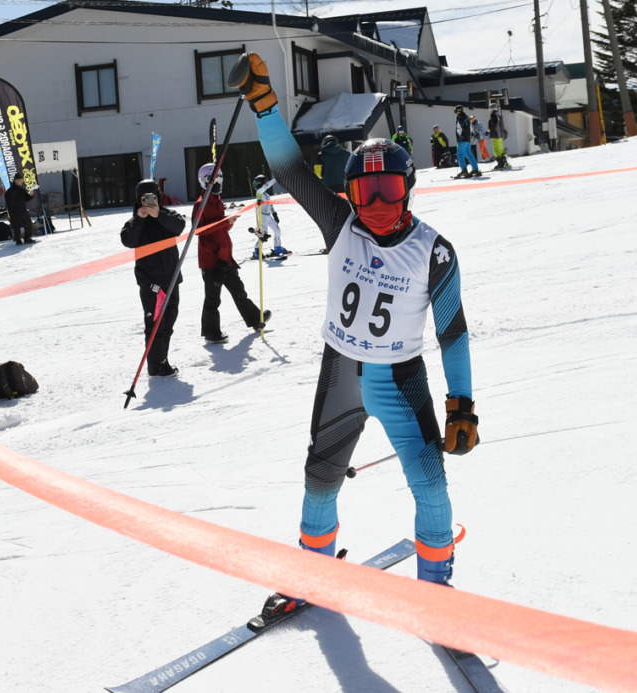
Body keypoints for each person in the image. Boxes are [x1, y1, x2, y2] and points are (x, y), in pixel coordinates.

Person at [229, 53, 479, 607]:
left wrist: (461, 404)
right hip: (341, 372)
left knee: (430, 483)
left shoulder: (434, 251)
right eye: (366, 193)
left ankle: (437, 590)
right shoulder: (340, 222)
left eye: (388, 189)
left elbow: (453, 334)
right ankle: (312, 573)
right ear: (350, 195)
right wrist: (264, 104)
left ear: (408, 187)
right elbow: (292, 172)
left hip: (401, 379)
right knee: (320, 477)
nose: (378, 203)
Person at [195, 163, 271, 344]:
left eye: (220, 179)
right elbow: (199, 230)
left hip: (224, 256)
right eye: (213, 179)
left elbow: (219, 228)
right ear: (203, 181)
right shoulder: (201, 203)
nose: (217, 183)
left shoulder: (217, 200)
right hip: (211, 260)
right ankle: (211, 332)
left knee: (238, 290)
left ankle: (255, 319)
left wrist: (229, 222)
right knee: (213, 297)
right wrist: (224, 222)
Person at [120, 179, 185, 377]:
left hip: (171, 278)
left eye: (152, 198)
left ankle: (162, 359)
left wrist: (159, 215)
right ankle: (156, 365)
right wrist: (139, 219)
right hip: (151, 282)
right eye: (144, 199)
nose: (148, 203)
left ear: (158, 198)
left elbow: (180, 226)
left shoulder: (167, 215)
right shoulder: (135, 222)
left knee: (169, 319)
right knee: (156, 323)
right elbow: (127, 240)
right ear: (138, 200)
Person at [250, 174, 288, 259]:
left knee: (277, 230)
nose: (266, 184)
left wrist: (274, 214)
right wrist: (275, 179)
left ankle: (277, 248)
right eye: (264, 182)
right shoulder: (259, 192)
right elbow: (266, 186)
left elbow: (270, 205)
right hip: (262, 216)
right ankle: (257, 251)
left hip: (268, 216)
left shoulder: (266, 195)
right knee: (263, 234)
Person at [4, 171, 37, 246]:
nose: (22, 182)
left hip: (23, 210)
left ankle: (27, 238)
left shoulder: (21, 190)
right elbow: (8, 203)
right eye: (20, 180)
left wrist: (31, 195)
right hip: (15, 211)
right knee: (16, 226)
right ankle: (18, 240)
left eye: (22, 180)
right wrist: (10, 213)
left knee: (28, 223)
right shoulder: (9, 192)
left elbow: (26, 198)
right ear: (16, 180)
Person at [453, 105, 481, 178]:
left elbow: (460, 129)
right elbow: (469, 128)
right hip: (467, 139)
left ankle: (464, 171)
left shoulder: (460, 118)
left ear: (458, 111)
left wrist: (460, 137)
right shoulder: (466, 117)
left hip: (462, 140)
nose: (455, 113)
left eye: (455, 111)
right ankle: (475, 169)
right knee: (468, 154)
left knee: (460, 154)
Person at [488, 104, 512, 170]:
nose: (490, 111)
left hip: (496, 135)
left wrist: (490, 131)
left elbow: (495, 125)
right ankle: (504, 163)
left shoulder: (494, 115)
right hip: (500, 135)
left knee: (496, 150)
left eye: (490, 110)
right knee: (501, 149)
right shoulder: (499, 115)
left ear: (493, 110)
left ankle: (500, 164)